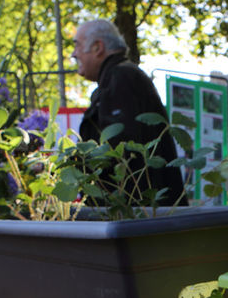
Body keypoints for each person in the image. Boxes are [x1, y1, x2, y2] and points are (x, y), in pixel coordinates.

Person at [73, 19, 185, 204]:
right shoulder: (121, 78)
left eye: (77, 45)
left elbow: (118, 148)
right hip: (143, 213)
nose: (73, 53)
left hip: (135, 215)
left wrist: (67, 164)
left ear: (97, 47)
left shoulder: (120, 78)